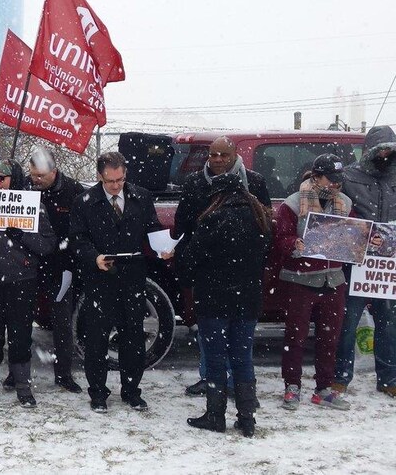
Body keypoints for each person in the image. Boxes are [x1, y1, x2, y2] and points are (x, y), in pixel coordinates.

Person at [69, 151, 170, 413]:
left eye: (121, 179)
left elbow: (152, 229)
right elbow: (78, 240)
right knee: (96, 340)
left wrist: (163, 247)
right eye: (111, 181)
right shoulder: (85, 202)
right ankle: (98, 393)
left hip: (133, 277)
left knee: (133, 339)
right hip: (99, 278)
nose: (116, 185)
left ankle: (131, 391)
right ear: (99, 177)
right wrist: (94, 258)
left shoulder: (141, 197)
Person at [175, 136, 271, 396]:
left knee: (239, 340)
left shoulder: (254, 182)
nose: (218, 160)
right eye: (213, 155)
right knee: (210, 332)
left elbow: (266, 224)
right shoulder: (195, 182)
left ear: (234, 155)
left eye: (223, 155)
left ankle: (234, 386)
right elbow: (182, 222)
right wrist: (187, 250)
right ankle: (211, 378)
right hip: (208, 267)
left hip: (243, 270)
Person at [0, 160, 55, 408]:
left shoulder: (33, 206)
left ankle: (23, 387)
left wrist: (24, 236)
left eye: (3, 178)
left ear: (15, 179)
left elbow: (47, 245)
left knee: (20, 335)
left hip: (22, 281)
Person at [274, 154, 351, 410]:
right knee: (295, 335)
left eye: (339, 180)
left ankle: (324, 388)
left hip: (334, 279)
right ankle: (292, 386)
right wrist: (293, 244)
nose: (336, 185)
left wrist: (363, 243)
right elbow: (280, 238)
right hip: (301, 279)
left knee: (330, 337)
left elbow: (355, 235)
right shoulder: (293, 204)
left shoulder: (347, 204)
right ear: (316, 176)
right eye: (332, 179)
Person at [334, 126, 396, 398]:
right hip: (355, 262)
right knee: (347, 321)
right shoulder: (349, 176)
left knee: (388, 322)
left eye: (389, 150)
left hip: (387, 265)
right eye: (379, 150)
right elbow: (332, 205)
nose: (384, 154)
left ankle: (388, 378)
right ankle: (340, 376)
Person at [26, 146, 86, 394]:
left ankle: (63, 374)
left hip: (62, 267)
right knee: (20, 320)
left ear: (55, 171)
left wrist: (66, 251)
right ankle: (16, 373)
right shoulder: (24, 189)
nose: (36, 181)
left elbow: (83, 229)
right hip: (29, 265)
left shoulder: (74, 191)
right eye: (33, 175)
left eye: (41, 176)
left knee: (62, 323)